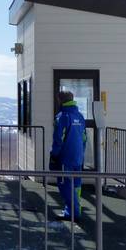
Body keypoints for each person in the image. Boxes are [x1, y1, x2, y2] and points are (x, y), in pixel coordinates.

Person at [49, 90, 87, 220]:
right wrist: (81, 153)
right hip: (78, 157)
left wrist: (54, 155)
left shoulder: (62, 117)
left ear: (60, 100)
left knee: (65, 185)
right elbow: (84, 138)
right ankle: (76, 210)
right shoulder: (80, 116)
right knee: (76, 185)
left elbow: (58, 139)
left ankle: (72, 213)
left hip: (65, 158)